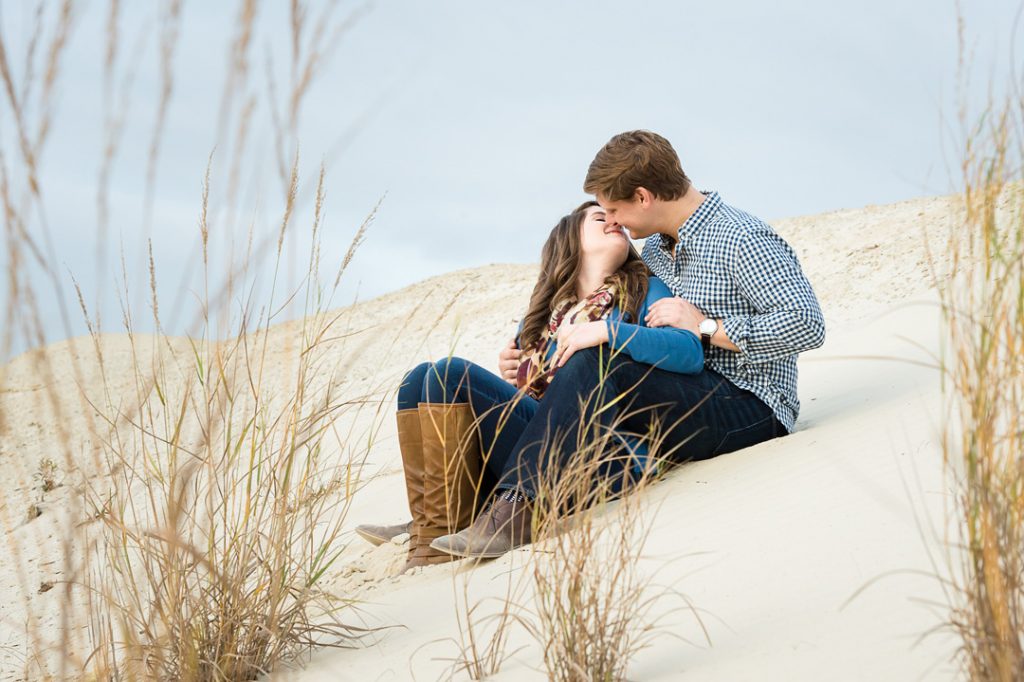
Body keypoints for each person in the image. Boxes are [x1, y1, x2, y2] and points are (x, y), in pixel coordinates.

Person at [431, 130, 826, 560]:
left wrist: (708, 326)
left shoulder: (739, 237)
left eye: (615, 210)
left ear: (643, 197)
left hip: (751, 404)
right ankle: (460, 509)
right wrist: (527, 361)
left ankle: (517, 514)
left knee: (597, 360)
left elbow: (806, 325)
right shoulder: (656, 248)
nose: (613, 222)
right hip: (678, 391)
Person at [356, 200, 704, 571]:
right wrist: (513, 379)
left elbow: (688, 354)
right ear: (570, 241)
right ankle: (434, 519)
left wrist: (609, 332)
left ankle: (446, 523)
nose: (614, 223)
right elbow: (541, 397)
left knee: (449, 374)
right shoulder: (542, 319)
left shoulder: (644, 289)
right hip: (543, 448)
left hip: (605, 452)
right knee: (418, 380)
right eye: (601, 218)